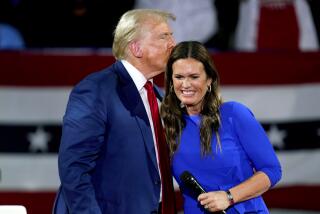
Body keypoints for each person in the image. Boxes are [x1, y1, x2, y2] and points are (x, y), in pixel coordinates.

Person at [52, 9, 176, 214]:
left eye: (171, 36)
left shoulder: (159, 96)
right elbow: (74, 168)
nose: (173, 44)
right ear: (136, 48)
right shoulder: (96, 89)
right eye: (164, 36)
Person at [160, 41, 282, 213]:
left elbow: (272, 170)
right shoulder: (168, 127)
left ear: (209, 79)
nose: (185, 85)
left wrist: (229, 196)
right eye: (179, 77)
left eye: (194, 77)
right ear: (171, 81)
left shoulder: (234, 114)